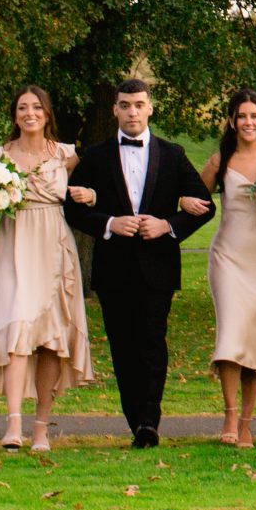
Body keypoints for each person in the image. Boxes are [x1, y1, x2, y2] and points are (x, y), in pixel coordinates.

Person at [66, 78, 213, 447]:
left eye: (139, 105)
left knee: (151, 343)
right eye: (125, 105)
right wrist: (110, 223)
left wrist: (168, 225)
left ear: (150, 108)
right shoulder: (96, 157)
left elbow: (204, 206)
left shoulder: (173, 154)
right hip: (113, 266)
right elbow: (72, 210)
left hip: (157, 266)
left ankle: (149, 422)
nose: (132, 112)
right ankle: (135, 420)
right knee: (122, 346)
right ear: (115, 109)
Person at [0, 86, 95, 452]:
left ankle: (41, 427)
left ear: (47, 113)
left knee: (52, 338)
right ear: (14, 115)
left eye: (37, 107)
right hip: (15, 243)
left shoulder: (66, 155)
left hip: (54, 243)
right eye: (22, 108)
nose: (30, 113)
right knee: (18, 328)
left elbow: (90, 193)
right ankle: (13, 425)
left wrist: (93, 196)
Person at [199, 88, 256, 448]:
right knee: (232, 333)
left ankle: (248, 422)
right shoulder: (220, 159)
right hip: (228, 257)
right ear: (232, 121)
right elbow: (195, 202)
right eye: (241, 116)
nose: (248, 122)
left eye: (255, 116)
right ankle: (230, 414)